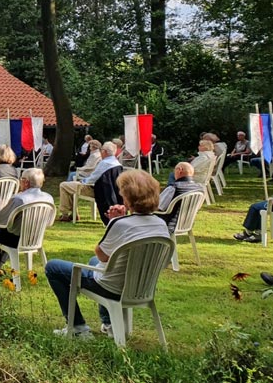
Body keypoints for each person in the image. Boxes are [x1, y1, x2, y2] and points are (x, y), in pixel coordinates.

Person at [45, 170, 170, 338]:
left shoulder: (121, 224)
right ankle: (109, 322)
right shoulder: (160, 224)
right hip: (142, 286)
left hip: (113, 288)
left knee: (53, 267)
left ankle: (77, 327)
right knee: (93, 261)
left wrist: (113, 221)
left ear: (128, 197)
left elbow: (102, 254)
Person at [0, 168, 54, 266]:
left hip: (15, 240)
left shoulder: (19, 199)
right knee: (10, 230)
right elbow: (49, 222)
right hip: (36, 239)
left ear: (26, 182)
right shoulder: (49, 198)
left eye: (21, 179)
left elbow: (1, 220)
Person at [57, 141, 121, 222]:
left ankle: (65, 214)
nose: (100, 151)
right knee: (69, 187)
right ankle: (72, 214)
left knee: (63, 185)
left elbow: (92, 179)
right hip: (109, 193)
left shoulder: (104, 163)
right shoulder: (117, 163)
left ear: (105, 151)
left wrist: (82, 181)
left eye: (101, 150)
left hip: (95, 191)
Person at [156, 162, 205, 233]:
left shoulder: (173, 188)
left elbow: (158, 206)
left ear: (179, 170)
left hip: (168, 224)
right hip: (187, 224)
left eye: (174, 170)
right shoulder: (200, 188)